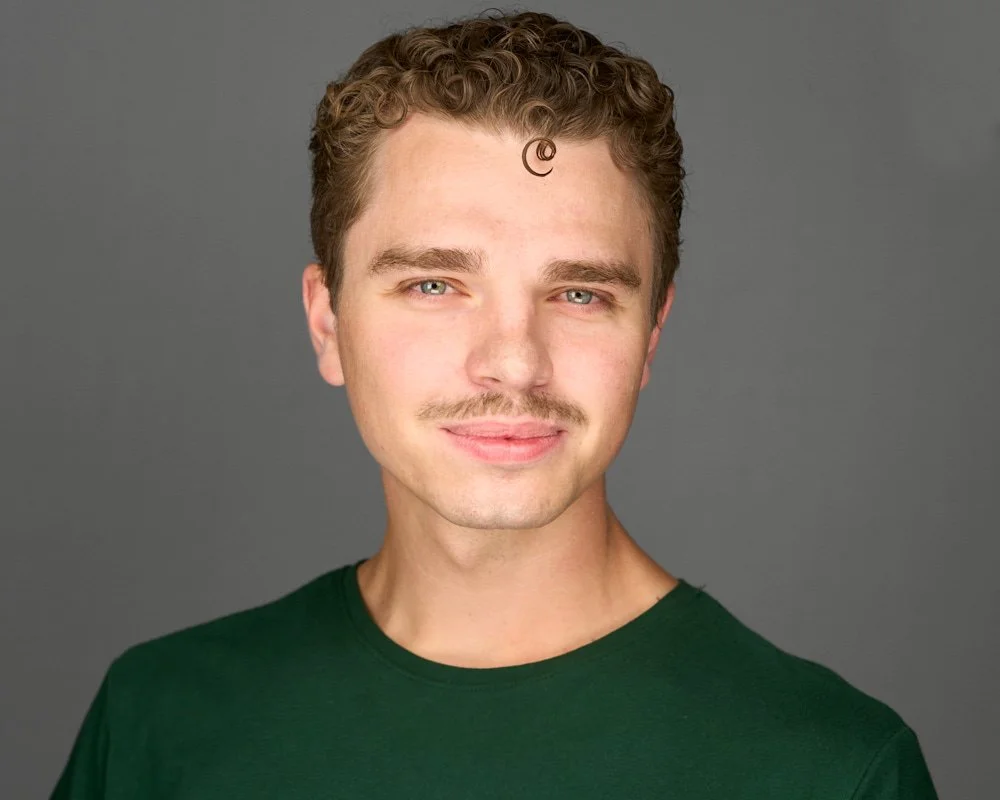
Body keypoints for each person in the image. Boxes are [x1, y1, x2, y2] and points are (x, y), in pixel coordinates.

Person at [51, 10, 938, 799]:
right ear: (328, 323)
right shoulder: (160, 723)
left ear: (652, 336)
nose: (513, 362)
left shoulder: (831, 770)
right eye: (435, 284)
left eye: (582, 295)